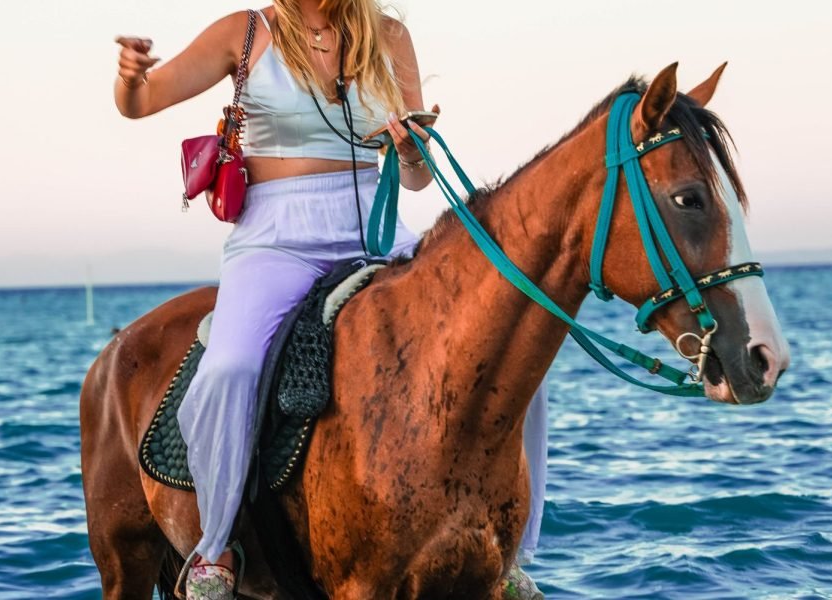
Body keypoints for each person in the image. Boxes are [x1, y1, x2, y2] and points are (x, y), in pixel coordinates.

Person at [114, 2, 546, 597]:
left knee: (506, 331)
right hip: (275, 234)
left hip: (375, 223)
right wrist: (130, 75)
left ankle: (509, 548)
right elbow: (140, 104)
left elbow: (414, 176)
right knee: (232, 366)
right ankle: (215, 549)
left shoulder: (389, 35)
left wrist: (413, 147)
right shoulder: (245, 33)